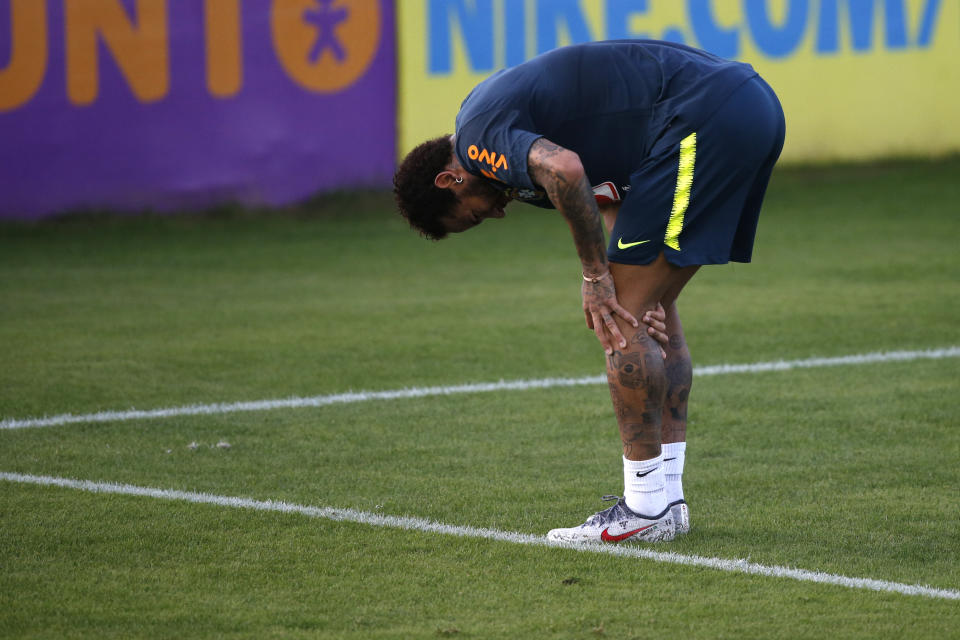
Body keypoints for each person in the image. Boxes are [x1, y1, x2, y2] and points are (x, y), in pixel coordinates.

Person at [393, 39, 785, 543]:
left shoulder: (478, 141)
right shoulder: (497, 140)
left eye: (474, 213)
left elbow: (566, 170)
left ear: (451, 178)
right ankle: (667, 500)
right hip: (747, 106)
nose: (495, 214)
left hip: (704, 116)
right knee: (644, 313)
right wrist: (627, 280)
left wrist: (597, 278)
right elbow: (607, 193)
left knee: (617, 323)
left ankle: (644, 512)